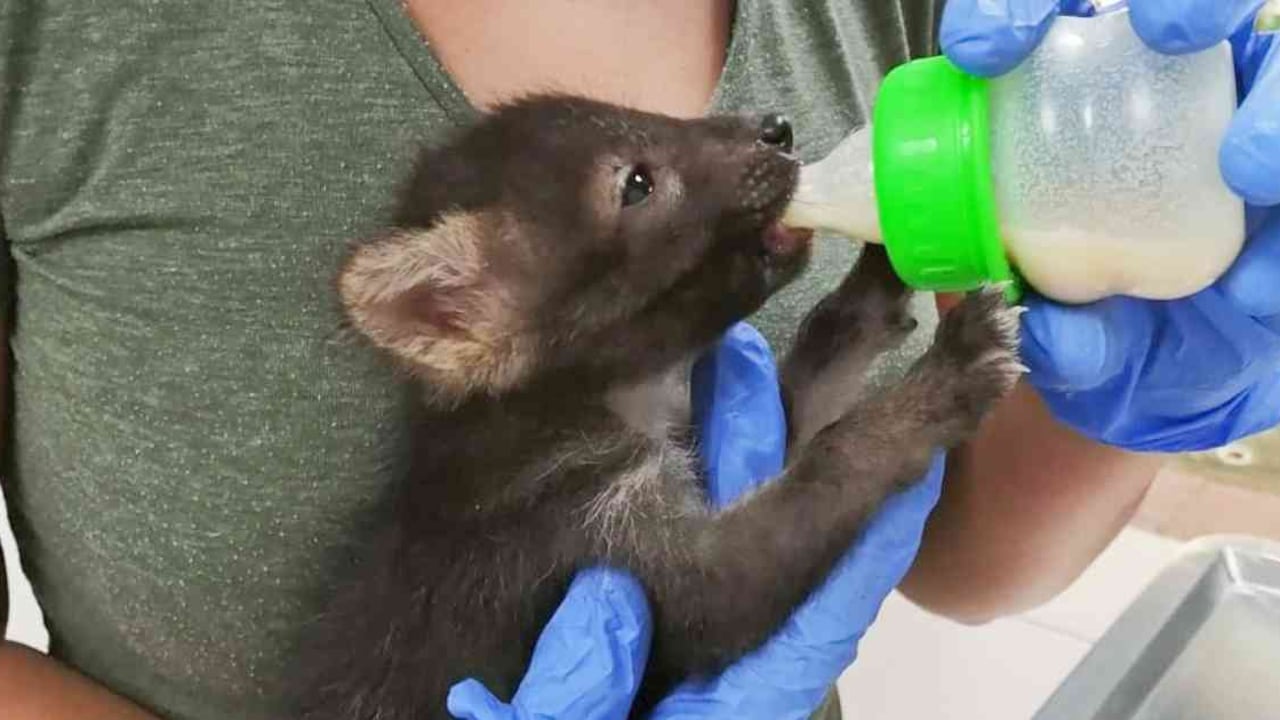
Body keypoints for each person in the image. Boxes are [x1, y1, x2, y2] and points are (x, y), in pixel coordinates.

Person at [0, 1, 1275, 719]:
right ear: (459, 318)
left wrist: (1167, 341)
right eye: (636, 179)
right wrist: (929, 401)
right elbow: (716, 578)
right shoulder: (548, 473)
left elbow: (933, 545)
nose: (751, 134)